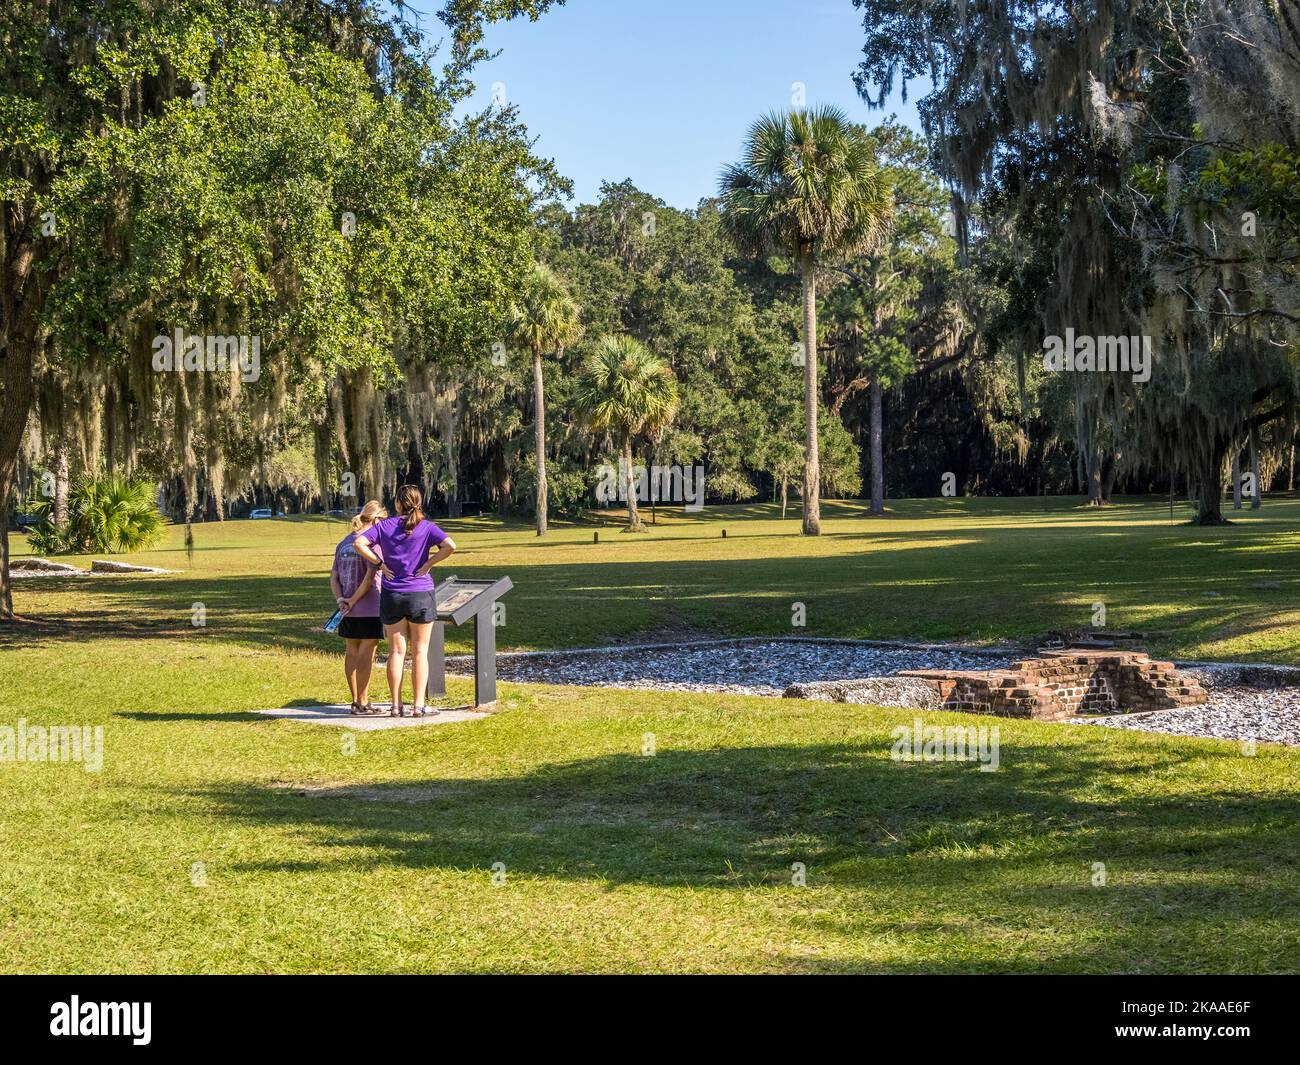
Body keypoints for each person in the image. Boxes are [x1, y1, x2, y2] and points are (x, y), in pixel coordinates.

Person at [354, 485, 456, 717]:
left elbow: (359, 543)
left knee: (396, 652)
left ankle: (395, 705)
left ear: (398, 503)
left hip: (393, 594)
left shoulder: (383, 526)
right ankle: (418, 706)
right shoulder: (427, 526)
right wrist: (430, 563)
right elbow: (451, 545)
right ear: (419, 502)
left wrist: (380, 563)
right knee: (420, 652)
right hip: (421, 593)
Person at [331, 500, 388, 715]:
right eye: (382, 521)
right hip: (370, 605)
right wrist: (353, 600)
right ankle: (363, 702)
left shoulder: (344, 542)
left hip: (346, 608)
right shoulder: (371, 544)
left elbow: (334, 577)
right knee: (367, 654)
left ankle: (355, 700)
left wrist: (341, 600)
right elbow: (370, 577)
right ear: (375, 520)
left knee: (351, 652)